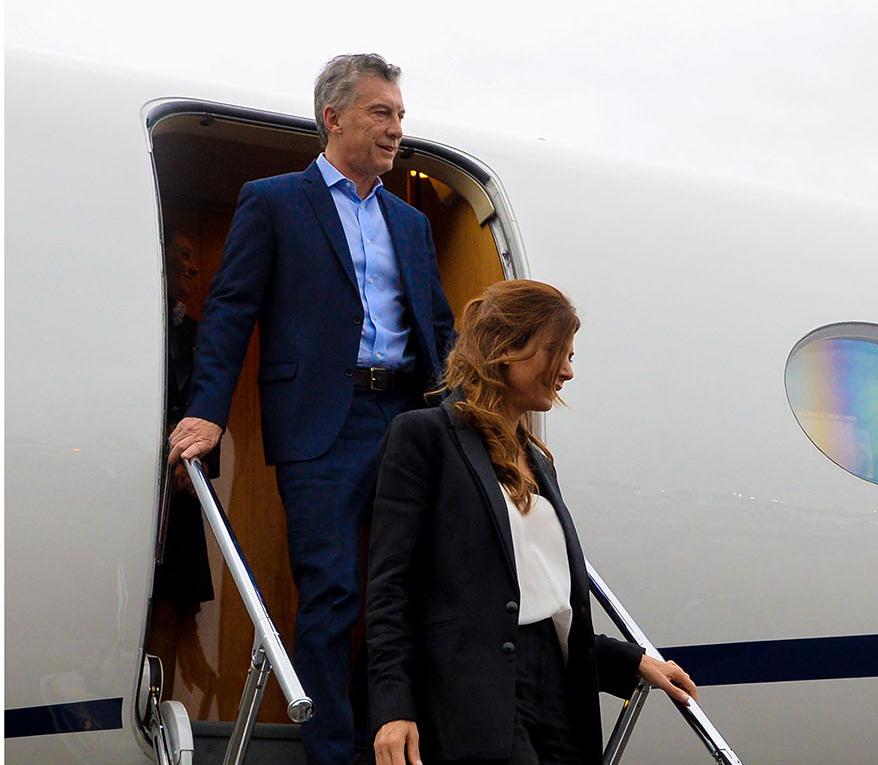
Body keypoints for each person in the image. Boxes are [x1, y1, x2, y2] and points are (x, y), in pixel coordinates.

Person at [166, 53, 456, 764]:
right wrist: (206, 411)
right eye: (380, 112)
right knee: (331, 591)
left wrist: (468, 418)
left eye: (400, 115)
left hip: (407, 418)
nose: (396, 129)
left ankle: (384, 734)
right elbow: (231, 309)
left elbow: (439, 329)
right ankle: (332, 753)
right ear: (333, 117)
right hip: (323, 424)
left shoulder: (409, 222)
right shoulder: (273, 201)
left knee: (405, 587)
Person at [367, 280, 697, 765]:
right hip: (476, 696)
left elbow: (544, 604)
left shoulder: (538, 461)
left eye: (570, 357)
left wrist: (633, 662)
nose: (567, 371)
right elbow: (390, 589)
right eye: (556, 353)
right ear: (507, 349)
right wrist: (393, 707)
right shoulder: (423, 437)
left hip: (558, 690)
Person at [147, 229, 217, 695]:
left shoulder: (199, 334)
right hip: (134, 483)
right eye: (184, 254)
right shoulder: (133, 329)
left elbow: (210, 401)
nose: (192, 266)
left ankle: (157, 716)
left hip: (185, 482)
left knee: (172, 606)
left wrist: (201, 465)